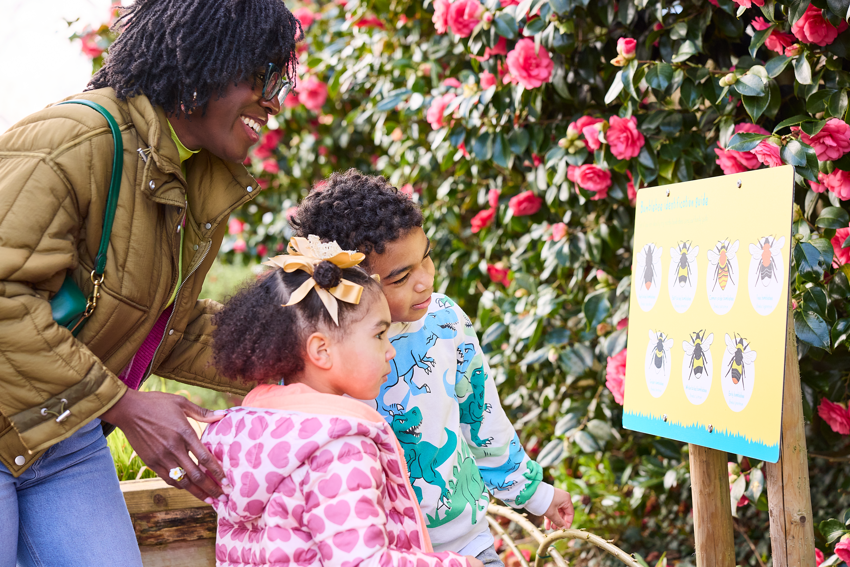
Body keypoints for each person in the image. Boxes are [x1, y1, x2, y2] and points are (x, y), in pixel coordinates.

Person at [0, 0, 302, 564]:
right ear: (200, 67)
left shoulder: (193, 174)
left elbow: (168, 327)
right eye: (259, 75)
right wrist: (123, 406)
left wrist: (314, 357)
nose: (273, 99)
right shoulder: (71, 141)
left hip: (63, 429)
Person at [291, 171, 575, 565]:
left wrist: (536, 494)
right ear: (349, 283)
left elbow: (482, 418)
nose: (425, 281)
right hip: (381, 551)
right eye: (402, 276)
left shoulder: (445, 320)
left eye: (426, 257)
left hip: (468, 543)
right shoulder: (324, 353)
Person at [202, 236, 485, 567]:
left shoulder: (251, 430)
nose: (390, 350)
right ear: (321, 350)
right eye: (379, 335)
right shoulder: (340, 449)